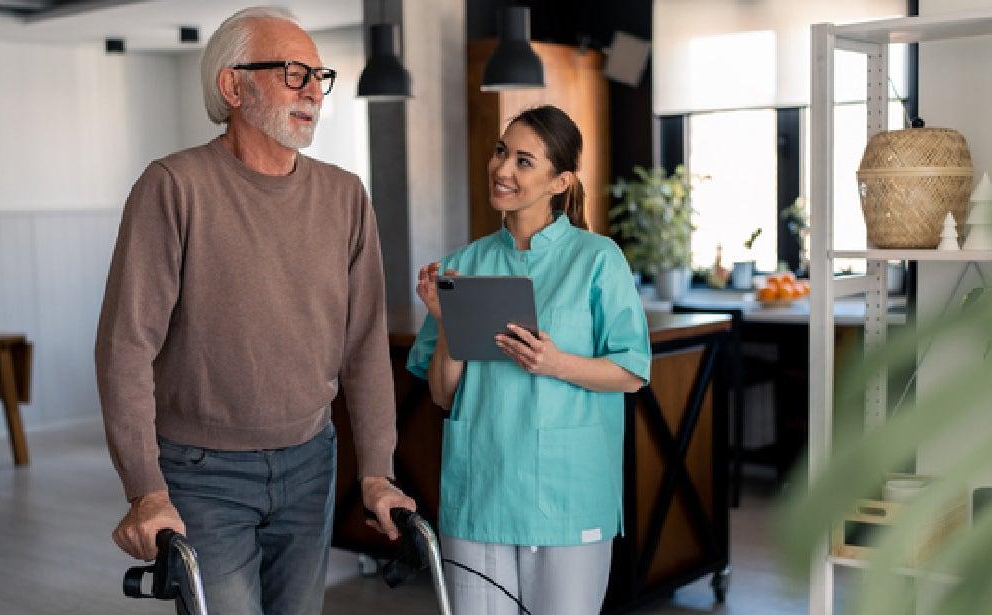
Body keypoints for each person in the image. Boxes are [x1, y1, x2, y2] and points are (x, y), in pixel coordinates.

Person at [94, 7, 414, 614]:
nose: (314, 92)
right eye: (294, 73)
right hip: (202, 474)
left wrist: (377, 470)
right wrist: (145, 489)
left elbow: (365, 346)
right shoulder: (173, 187)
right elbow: (125, 347)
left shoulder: (345, 195)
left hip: (311, 460)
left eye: (320, 76)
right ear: (232, 85)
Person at [407, 105, 652, 615]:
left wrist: (556, 363)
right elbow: (442, 394)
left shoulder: (597, 258)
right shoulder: (463, 264)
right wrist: (448, 321)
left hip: (568, 493)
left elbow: (631, 373)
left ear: (560, 180)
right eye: (501, 152)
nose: (502, 170)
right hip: (482, 491)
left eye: (523, 160)